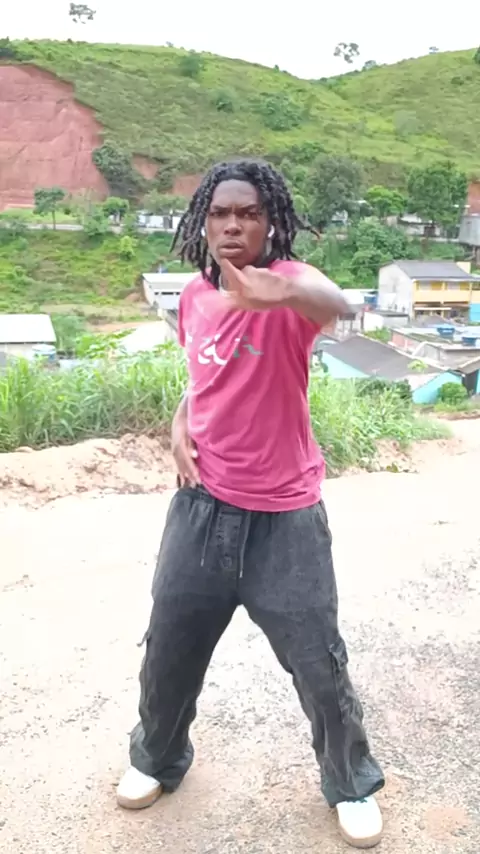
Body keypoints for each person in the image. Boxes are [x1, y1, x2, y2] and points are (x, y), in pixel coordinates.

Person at [116, 159, 385, 849]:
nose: (233, 225)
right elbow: (202, 374)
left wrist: (280, 293)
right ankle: (156, 759)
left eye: (249, 213)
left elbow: (338, 305)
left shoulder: (290, 285)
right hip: (200, 507)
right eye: (220, 213)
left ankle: (350, 783)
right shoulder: (193, 297)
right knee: (169, 647)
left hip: (286, 517)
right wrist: (180, 421)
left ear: (270, 223)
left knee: (318, 662)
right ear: (203, 221)